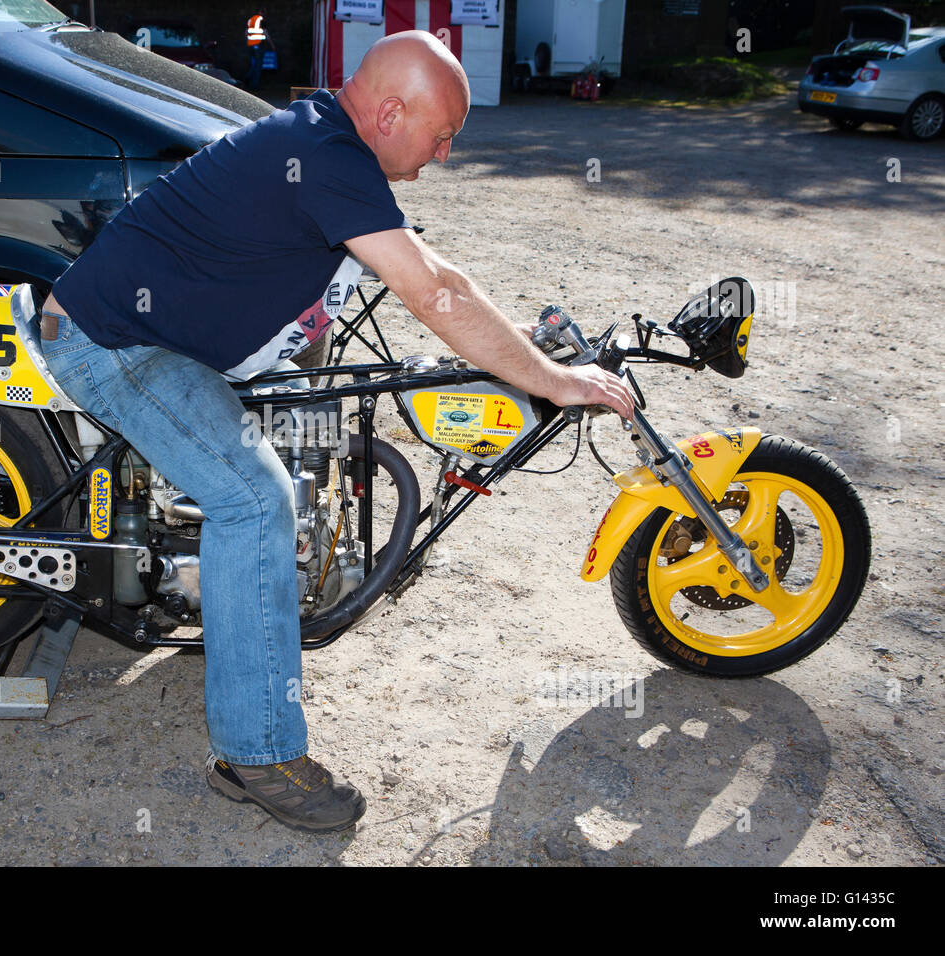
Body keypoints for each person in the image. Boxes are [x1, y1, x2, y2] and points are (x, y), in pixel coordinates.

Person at [39, 30, 632, 833]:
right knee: (254, 501)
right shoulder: (326, 154)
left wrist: (523, 347)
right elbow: (434, 293)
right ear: (390, 112)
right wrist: (554, 381)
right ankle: (259, 755)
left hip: (161, 335)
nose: (447, 154)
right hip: (116, 345)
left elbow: (433, 277)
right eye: (442, 134)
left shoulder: (326, 143)